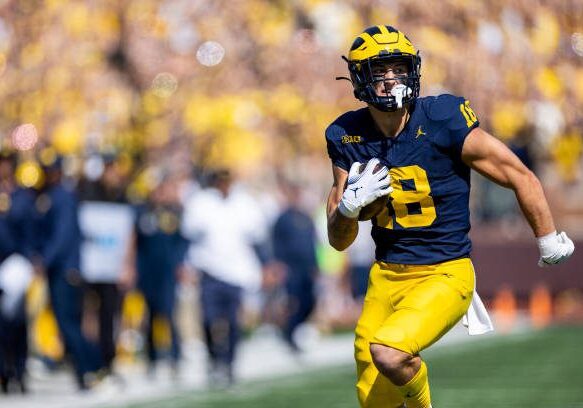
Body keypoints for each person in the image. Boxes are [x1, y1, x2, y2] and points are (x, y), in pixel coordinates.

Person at [325, 25, 575, 408]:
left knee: (390, 352)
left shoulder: (442, 118)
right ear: (360, 78)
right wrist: (348, 208)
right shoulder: (347, 134)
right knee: (374, 398)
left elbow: (516, 173)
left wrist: (547, 237)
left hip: (444, 271)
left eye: (399, 67)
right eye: (381, 70)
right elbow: (338, 239)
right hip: (386, 276)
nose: (392, 79)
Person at [181, 168, 269, 387]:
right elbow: (187, 234)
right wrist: (186, 266)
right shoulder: (201, 203)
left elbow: (258, 236)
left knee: (232, 321)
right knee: (209, 318)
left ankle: (229, 363)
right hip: (208, 270)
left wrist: (266, 264)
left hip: (237, 273)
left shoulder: (244, 203)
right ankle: (214, 358)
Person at [32, 151, 103, 390]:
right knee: (68, 323)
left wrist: (45, 259)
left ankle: (91, 368)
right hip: (64, 268)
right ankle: (90, 368)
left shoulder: (61, 196)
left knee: (68, 324)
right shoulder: (56, 195)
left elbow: (62, 236)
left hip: (66, 270)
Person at [271, 180, 319, 352]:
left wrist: (316, 266)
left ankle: (293, 329)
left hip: (307, 268)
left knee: (309, 302)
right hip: (291, 268)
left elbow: (313, 243)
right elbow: (276, 243)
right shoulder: (282, 218)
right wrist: (278, 265)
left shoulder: (306, 218)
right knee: (293, 303)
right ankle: (289, 335)